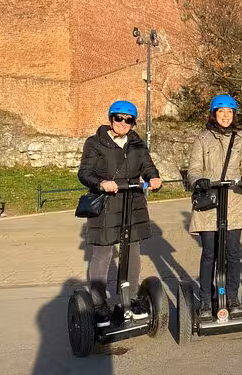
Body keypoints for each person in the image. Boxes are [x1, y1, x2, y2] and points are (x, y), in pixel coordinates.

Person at [78, 100, 162, 328]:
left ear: (133, 122)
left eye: (128, 119)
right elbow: (84, 172)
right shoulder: (95, 143)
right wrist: (102, 182)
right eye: (119, 118)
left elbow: (148, 167)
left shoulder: (137, 144)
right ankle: (98, 304)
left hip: (132, 202)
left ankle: (131, 298)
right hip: (106, 204)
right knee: (103, 254)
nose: (123, 123)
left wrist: (153, 177)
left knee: (132, 252)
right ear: (111, 118)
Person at [187, 94, 242, 318]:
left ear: (233, 114)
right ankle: (206, 300)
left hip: (234, 201)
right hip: (210, 201)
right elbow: (194, 168)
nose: (225, 116)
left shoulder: (240, 139)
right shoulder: (203, 138)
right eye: (221, 112)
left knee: (233, 253)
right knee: (209, 253)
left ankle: (232, 297)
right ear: (214, 114)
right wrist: (198, 181)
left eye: (229, 112)